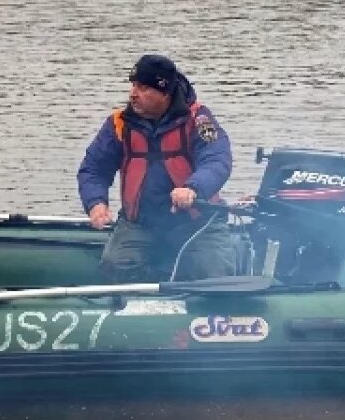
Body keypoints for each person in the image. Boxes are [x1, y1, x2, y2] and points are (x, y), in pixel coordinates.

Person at [77, 54, 236, 282]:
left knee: (215, 274)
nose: (133, 94)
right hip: (140, 223)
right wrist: (95, 203)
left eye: (142, 88)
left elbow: (217, 160)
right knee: (115, 267)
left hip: (198, 222)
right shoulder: (119, 124)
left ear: (164, 92)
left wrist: (193, 188)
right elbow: (93, 169)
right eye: (133, 86)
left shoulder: (198, 119)